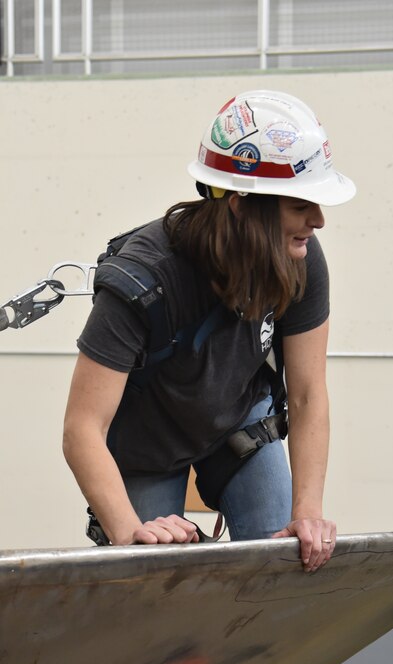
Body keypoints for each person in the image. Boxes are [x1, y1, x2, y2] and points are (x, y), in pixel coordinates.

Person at [63, 89, 356, 572]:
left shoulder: (299, 258)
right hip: (147, 442)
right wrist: (126, 532)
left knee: (285, 559)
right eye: (301, 204)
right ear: (242, 203)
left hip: (239, 423)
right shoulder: (143, 280)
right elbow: (81, 428)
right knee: (152, 576)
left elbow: (306, 394)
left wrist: (307, 513)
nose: (318, 221)